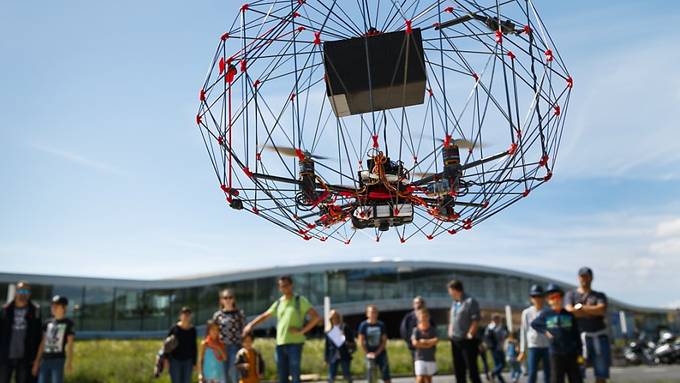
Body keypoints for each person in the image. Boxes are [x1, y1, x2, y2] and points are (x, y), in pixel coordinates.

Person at [243, 276, 321, 383]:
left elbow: (316, 317)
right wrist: (251, 325)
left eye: (286, 285)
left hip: (295, 343)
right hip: (280, 343)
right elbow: (265, 315)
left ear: (291, 285)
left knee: (295, 374)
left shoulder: (300, 301)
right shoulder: (279, 303)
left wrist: (302, 331)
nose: (284, 288)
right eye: (281, 286)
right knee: (282, 375)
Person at [564, 267, 609, 383]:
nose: (584, 279)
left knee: (601, 372)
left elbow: (601, 310)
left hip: (599, 336)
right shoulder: (571, 295)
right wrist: (591, 311)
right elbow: (569, 311)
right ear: (578, 278)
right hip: (578, 338)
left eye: (587, 276)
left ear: (591, 278)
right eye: (582, 276)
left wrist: (581, 308)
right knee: (577, 372)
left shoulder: (599, 295)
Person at [531, 284, 583, 383]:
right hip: (555, 353)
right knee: (556, 379)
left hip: (571, 353)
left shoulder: (569, 315)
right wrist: (545, 331)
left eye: (558, 297)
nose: (555, 300)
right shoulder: (546, 314)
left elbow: (576, 334)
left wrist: (580, 352)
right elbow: (534, 324)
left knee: (576, 378)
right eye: (552, 298)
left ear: (562, 298)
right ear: (548, 300)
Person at [0, 281, 43, 383]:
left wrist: (37, 361)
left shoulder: (35, 311)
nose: (22, 293)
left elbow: (39, 337)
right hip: (5, 356)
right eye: (20, 290)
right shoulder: (6, 310)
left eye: (25, 290)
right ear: (16, 292)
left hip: (26, 358)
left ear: (29, 293)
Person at [31, 296, 75, 383]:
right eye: (52, 306)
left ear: (64, 308)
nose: (53, 308)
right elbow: (43, 343)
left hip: (58, 360)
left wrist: (69, 362)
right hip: (45, 359)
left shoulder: (69, 323)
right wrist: (37, 361)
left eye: (57, 306)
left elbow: (70, 344)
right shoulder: (47, 323)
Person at [447, 279, 482, 383]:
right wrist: (450, 331)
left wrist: (470, 333)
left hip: (467, 340)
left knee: (472, 369)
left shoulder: (470, 301)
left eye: (450, 290)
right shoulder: (454, 303)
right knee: (459, 369)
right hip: (455, 340)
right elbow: (452, 319)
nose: (449, 293)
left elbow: (475, 319)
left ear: (455, 290)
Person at [519, 284, 550, 383]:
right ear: (531, 298)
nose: (537, 299)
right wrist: (523, 350)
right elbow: (523, 331)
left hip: (547, 346)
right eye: (534, 296)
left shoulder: (548, 311)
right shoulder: (526, 313)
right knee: (532, 373)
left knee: (548, 374)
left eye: (539, 296)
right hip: (533, 347)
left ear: (543, 297)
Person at [213, 289, 245, 383]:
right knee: (223, 376)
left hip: (235, 347)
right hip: (221, 347)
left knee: (234, 374)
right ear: (221, 300)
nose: (228, 300)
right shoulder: (217, 315)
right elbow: (213, 333)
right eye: (225, 298)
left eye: (230, 297)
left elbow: (244, 331)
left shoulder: (239, 314)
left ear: (233, 299)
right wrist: (214, 348)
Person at [358, 305, 390, 383]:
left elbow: (384, 341)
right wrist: (367, 353)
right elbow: (361, 341)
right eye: (371, 312)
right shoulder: (363, 325)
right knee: (370, 374)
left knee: (385, 374)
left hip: (380, 353)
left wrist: (377, 353)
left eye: (375, 312)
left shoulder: (381, 325)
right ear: (367, 314)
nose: (373, 314)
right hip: (368, 353)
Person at [399, 297, 435, 367]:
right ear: (413, 305)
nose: (419, 304)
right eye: (416, 303)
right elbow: (403, 331)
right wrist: (411, 342)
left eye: (421, 302)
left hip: (428, 347)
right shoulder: (408, 317)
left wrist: (429, 342)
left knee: (429, 370)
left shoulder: (429, 317)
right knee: (417, 368)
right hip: (414, 347)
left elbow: (434, 331)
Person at [167, 307, 197, 383]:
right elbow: (167, 345)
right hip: (175, 361)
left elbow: (194, 346)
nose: (186, 317)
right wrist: (166, 359)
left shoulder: (193, 330)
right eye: (184, 314)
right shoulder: (174, 328)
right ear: (180, 316)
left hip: (188, 361)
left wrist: (194, 362)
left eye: (188, 315)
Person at [324, 309, 355, 383]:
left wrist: (344, 339)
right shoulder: (328, 330)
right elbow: (327, 345)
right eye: (332, 318)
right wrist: (326, 358)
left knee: (347, 375)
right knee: (331, 376)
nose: (334, 319)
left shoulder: (345, 327)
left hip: (344, 354)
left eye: (336, 317)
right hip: (333, 355)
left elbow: (352, 341)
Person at [410, 308, 437, 383]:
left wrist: (424, 341)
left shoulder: (432, 329)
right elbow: (415, 343)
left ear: (428, 317)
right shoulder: (416, 330)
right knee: (420, 378)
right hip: (419, 357)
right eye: (422, 317)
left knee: (428, 379)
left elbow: (436, 340)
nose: (423, 319)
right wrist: (428, 344)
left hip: (430, 357)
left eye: (425, 317)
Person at [484, 313, 508, 383]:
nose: (499, 320)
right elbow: (501, 336)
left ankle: (500, 380)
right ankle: (493, 373)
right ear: (495, 319)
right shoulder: (493, 327)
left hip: (496, 348)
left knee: (498, 364)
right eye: (498, 319)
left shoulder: (493, 327)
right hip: (496, 348)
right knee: (502, 364)